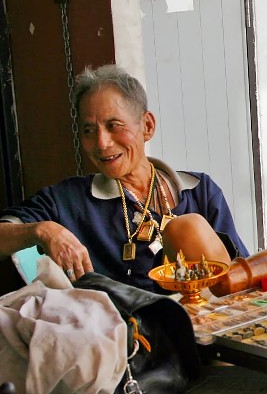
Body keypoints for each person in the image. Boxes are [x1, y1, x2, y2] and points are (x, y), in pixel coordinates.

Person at [0, 64, 249, 292]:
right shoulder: (68, 200)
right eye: (89, 130)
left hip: (209, 328)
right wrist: (42, 230)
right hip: (126, 334)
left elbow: (241, 272)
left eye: (114, 125)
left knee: (189, 227)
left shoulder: (199, 190)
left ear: (147, 126)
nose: (101, 143)